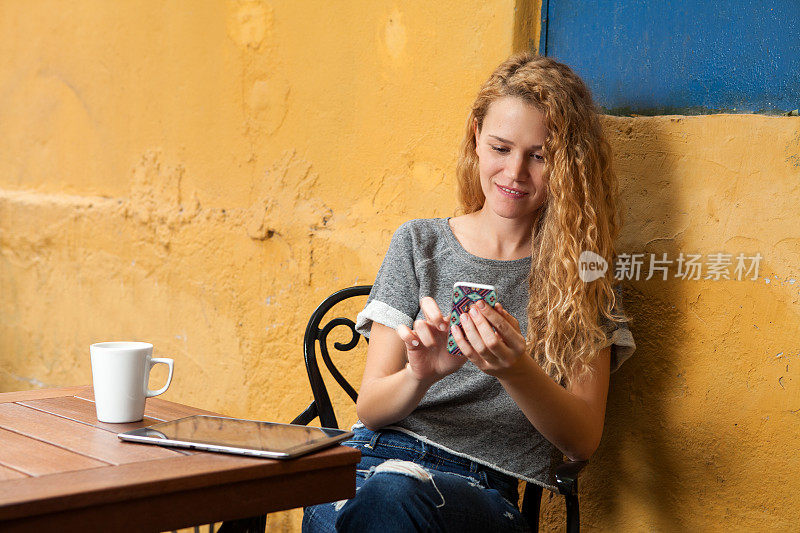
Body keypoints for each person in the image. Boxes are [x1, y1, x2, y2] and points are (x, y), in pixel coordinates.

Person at [302, 51, 636, 532]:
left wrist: (515, 369)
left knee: (389, 498)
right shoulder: (419, 243)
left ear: (569, 164)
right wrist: (421, 375)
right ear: (476, 136)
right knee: (358, 494)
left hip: (480, 490)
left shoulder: (583, 276)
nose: (515, 172)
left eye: (540, 156)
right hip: (373, 458)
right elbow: (371, 408)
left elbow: (582, 440)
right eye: (501, 148)